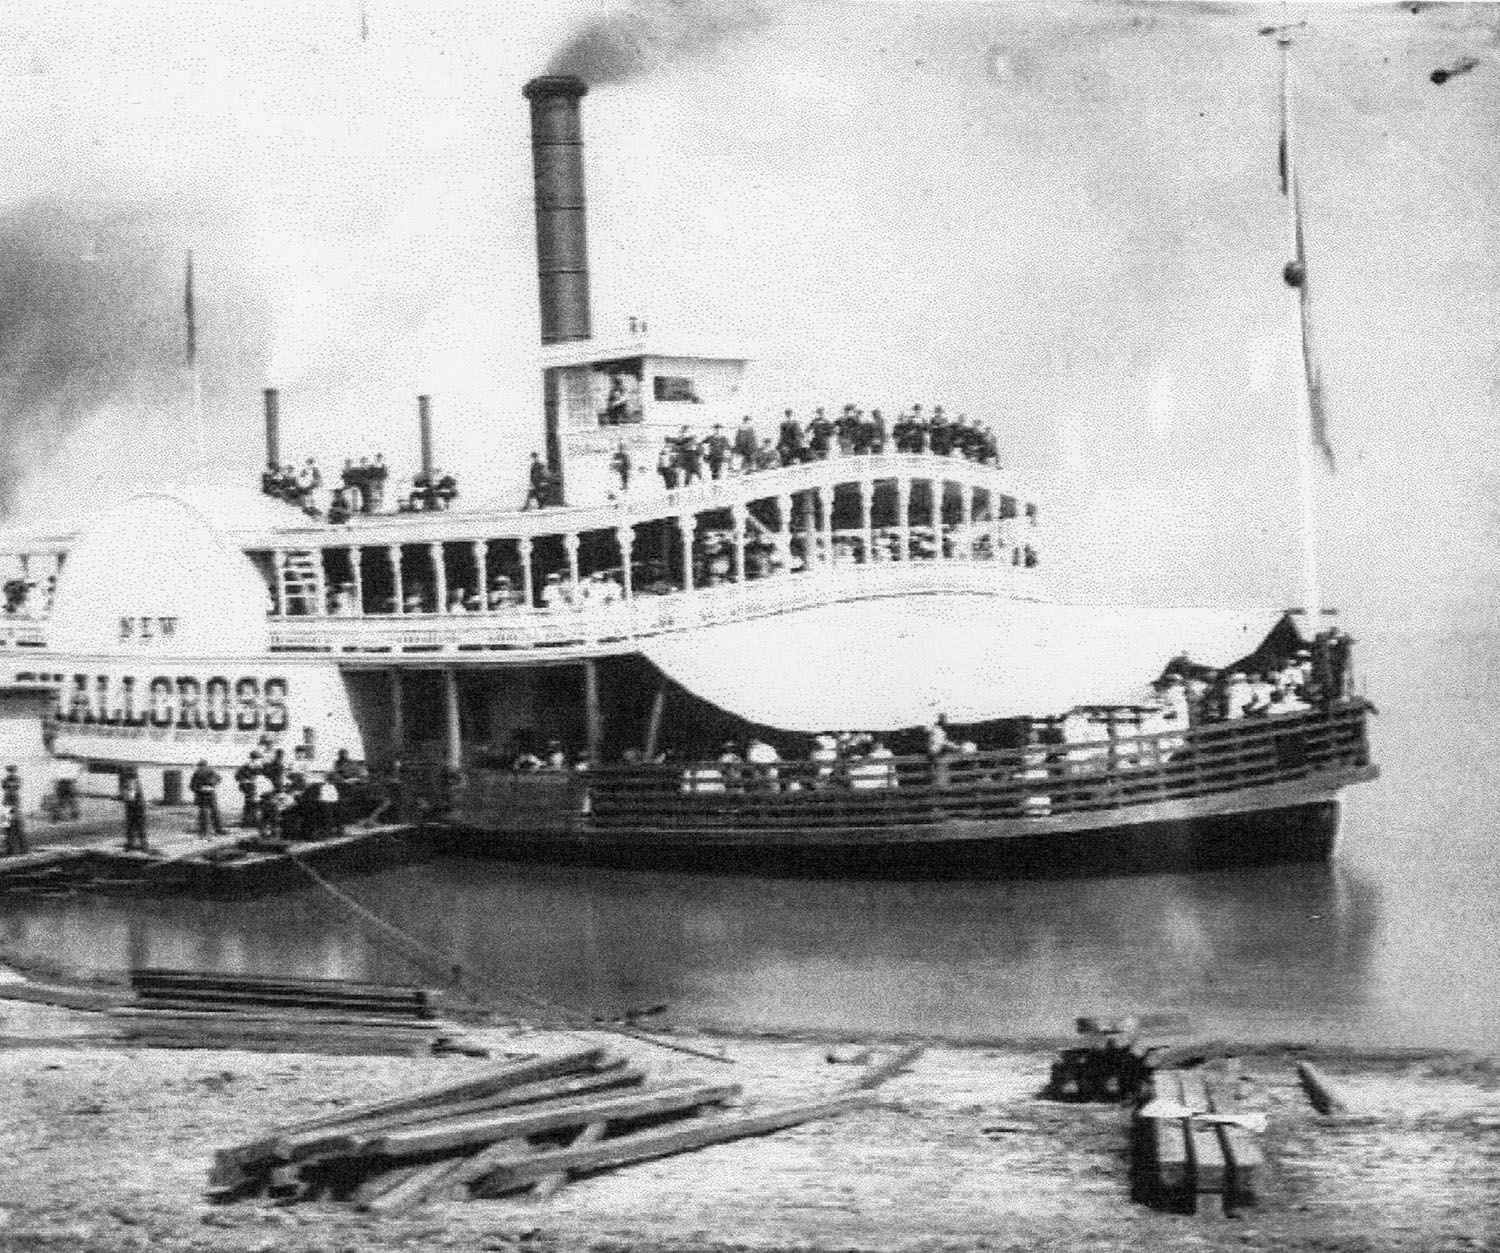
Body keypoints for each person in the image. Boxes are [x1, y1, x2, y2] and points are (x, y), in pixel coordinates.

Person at [189, 759, 226, 838]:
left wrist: (202, 788)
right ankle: (217, 830)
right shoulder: (210, 771)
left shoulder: (198, 773)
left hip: (203, 795)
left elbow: (192, 786)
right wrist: (209, 786)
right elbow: (219, 779)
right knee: (212, 812)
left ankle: (206, 832)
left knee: (206, 813)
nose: (202, 768)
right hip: (207, 794)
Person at [120, 769, 149, 852]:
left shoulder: (130, 782)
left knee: (134, 826)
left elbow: (130, 797)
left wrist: (122, 796)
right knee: (139, 826)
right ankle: (142, 845)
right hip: (138, 807)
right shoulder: (135, 781)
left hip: (135, 808)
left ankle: (135, 844)